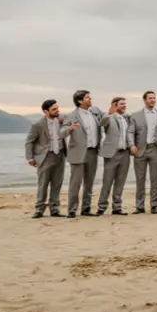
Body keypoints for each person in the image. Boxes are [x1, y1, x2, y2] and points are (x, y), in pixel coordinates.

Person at [60, 90, 104, 218]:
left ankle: (86, 209)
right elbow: (61, 133)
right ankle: (72, 210)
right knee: (75, 183)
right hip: (78, 152)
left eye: (90, 97)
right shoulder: (71, 116)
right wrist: (69, 128)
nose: (90, 99)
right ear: (80, 101)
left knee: (89, 183)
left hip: (93, 151)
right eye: (87, 98)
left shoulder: (94, 114)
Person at [25, 99, 66, 218]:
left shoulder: (61, 121)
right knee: (43, 184)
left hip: (60, 155)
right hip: (45, 157)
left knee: (57, 184)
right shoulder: (37, 125)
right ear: (46, 111)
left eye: (57, 108)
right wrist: (30, 158)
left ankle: (55, 209)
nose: (57, 111)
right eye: (54, 109)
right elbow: (29, 142)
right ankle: (39, 209)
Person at [128, 90, 157, 214]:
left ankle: (154, 205)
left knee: (155, 179)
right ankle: (139, 206)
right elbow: (130, 132)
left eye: (154, 98)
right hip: (140, 149)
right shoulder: (136, 115)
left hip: (154, 149)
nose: (152, 100)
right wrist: (131, 145)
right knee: (140, 179)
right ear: (144, 100)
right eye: (150, 98)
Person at [97, 97, 132, 216]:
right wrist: (108, 113)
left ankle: (117, 207)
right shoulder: (108, 117)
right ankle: (101, 207)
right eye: (121, 104)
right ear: (114, 105)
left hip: (125, 153)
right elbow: (101, 124)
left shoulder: (127, 118)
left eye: (125, 104)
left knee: (120, 182)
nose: (124, 106)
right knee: (107, 181)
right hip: (112, 153)